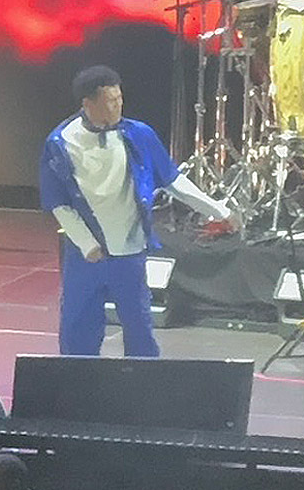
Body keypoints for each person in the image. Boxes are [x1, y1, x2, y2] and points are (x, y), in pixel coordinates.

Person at [39, 65, 232, 358]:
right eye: (110, 101)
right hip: (86, 254)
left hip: (130, 249)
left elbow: (173, 181)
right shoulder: (60, 142)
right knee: (78, 327)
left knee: (139, 326)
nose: (118, 106)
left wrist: (218, 210)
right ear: (88, 104)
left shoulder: (139, 135)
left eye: (119, 99)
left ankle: (141, 378)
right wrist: (87, 244)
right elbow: (59, 202)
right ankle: (77, 376)